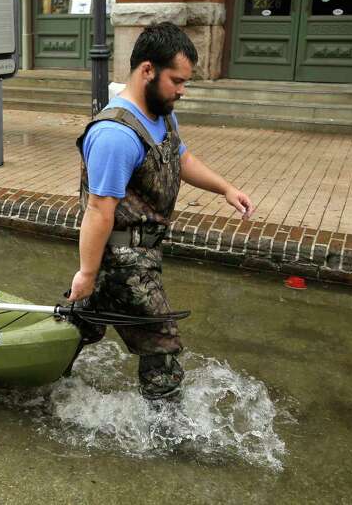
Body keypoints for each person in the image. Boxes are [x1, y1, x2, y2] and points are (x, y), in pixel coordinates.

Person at [68, 22, 255, 400]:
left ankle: (44, 366)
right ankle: (168, 433)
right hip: (122, 258)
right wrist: (87, 272)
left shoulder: (163, 113)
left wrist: (225, 188)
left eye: (185, 82)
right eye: (177, 80)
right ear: (147, 70)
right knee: (162, 345)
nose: (182, 91)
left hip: (143, 251)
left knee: (81, 324)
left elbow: (180, 158)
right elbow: (99, 212)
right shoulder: (115, 135)